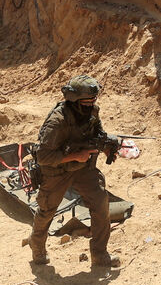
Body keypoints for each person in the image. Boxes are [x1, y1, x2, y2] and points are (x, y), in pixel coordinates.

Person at [29, 75, 121, 269]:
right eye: (86, 102)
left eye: (93, 101)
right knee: (46, 210)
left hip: (82, 168)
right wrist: (74, 156)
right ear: (74, 101)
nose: (91, 105)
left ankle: (99, 254)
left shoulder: (93, 112)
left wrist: (105, 146)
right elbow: (43, 156)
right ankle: (37, 247)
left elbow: (97, 134)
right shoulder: (57, 121)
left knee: (100, 202)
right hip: (56, 169)